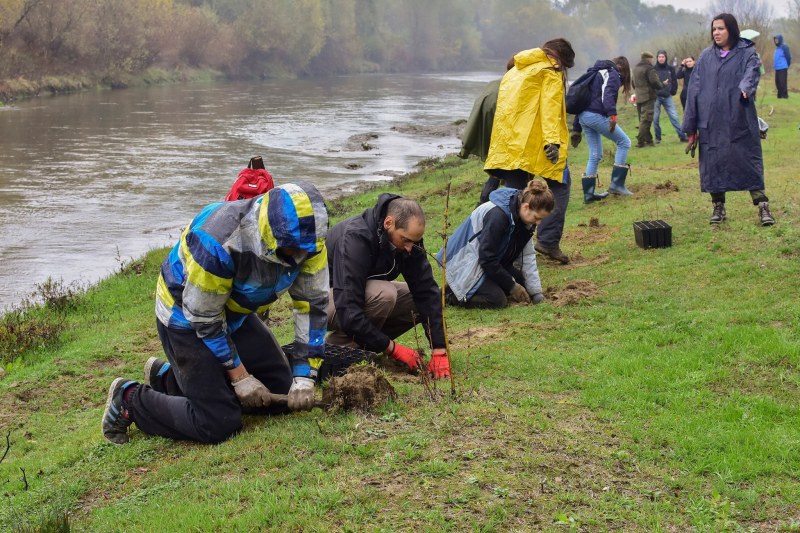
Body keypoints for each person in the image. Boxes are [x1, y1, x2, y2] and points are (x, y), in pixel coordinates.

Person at [101, 182, 331, 445]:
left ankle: (167, 379)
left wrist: (304, 375)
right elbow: (204, 317)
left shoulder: (310, 242)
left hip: (235, 313)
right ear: (270, 233)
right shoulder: (219, 239)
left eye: (306, 251)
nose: (300, 258)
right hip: (186, 318)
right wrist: (240, 376)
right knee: (218, 422)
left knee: (280, 393)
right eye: (292, 250)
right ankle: (130, 399)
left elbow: (312, 306)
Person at [325, 194, 451, 379]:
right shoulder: (355, 238)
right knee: (385, 295)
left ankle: (366, 345)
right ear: (388, 223)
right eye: (406, 240)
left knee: (416, 300)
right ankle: (337, 349)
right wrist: (393, 349)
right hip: (323, 302)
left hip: (359, 297)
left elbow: (426, 292)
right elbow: (349, 309)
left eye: (415, 242)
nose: (410, 248)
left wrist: (439, 348)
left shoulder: (408, 243)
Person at [484, 38, 576, 264]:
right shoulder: (550, 71)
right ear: (562, 60)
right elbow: (550, 108)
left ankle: (507, 250)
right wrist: (552, 142)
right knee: (561, 186)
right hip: (537, 143)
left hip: (510, 144)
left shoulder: (517, 70)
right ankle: (547, 241)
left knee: (513, 195)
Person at [683, 13, 775, 227]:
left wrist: (745, 89)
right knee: (713, 163)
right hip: (711, 122)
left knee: (748, 161)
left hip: (738, 118)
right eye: (714, 29)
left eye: (721, 28)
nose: (716, 32)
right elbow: (693, 91)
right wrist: (691, 127)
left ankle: (762, 206)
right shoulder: (705, 57)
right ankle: (718, 206)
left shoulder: (747, 53)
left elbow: (752, 73)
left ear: (731, 30)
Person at [438, 179, 553, 308]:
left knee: (522, 281)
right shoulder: (498, 216)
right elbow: (487, 258)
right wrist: (512, 286)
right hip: (463, 263)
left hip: (487, 261)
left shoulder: (525, 221)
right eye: (537, 218)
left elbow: (527, 256)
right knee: (497, 300)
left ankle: (461, 288)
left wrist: (535, 292)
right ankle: (450, 296)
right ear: (526, 207)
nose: (538, 223)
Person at [571, 56, 634, 201]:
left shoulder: (596, 72)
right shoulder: (613, 73)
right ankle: (617, 185)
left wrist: (576, 127)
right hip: (595, 115)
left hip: (583, 117)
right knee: (624, 142)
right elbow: (608, 94)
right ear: (623, 68)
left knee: (595, 154)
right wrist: (612, 115)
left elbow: (583, 98)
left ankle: (589, 194)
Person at [458, 56, 516, 205]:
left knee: (496, 173)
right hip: (503, 138)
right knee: (506, 176)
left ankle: (484, 205)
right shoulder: (511, 89)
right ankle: (492, 207)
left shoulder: (493, 85)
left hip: (491, 136)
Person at [632, 51, 666, 148]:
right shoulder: (649, 68)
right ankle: (640, 142)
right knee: (646, 120)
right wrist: (662, 85)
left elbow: (633, 83)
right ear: (648, 59)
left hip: (639, 97)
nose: (652, 61)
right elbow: (655, 82)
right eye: (651, 59)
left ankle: (649, 140)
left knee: (642, 120)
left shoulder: (635, 68)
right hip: (648, 97)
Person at [653, 50, 688, 143]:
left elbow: (674, 80)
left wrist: (673, 91)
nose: (661, 58)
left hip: (667, 96)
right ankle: (658, 138)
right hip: (656, 97)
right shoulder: (653, 69)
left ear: (666, 57)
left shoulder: (671, 68)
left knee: (674, 116)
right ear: (657, 58)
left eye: (663, 57)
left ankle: (682, 136)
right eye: (659, 57)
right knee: (655, 118)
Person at [773, 34, 792, 98]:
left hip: (783, 67)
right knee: (777, 82)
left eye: (777, 39)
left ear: (780, 39)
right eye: (775, 40)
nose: (776, 41)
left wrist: (787, 64)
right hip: (777, 68)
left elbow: (788, 57)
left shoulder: (785, 47)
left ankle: (784, 96)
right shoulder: (777, 48)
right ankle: (780, 95)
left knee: (782, 82)